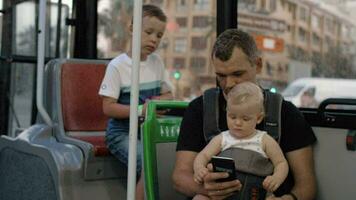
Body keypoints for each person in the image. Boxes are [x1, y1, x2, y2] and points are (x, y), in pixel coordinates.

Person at [173, 29, 317, 200]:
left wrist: (288, 199)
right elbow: (180, 177)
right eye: (221, 76)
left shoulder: (285, 113)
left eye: (237, 74)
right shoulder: (199, 109)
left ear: (258, 65)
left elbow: (307, 185)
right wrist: (208, 189)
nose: (228, 84)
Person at [98, 4, 173, 199]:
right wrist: (142, 109)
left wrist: (159, 101)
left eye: (159, 35)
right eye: (148, 32)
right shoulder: (117, 66)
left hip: (148, 132)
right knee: (151, 161)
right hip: (122, 133)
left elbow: (168, 95)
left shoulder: (157, 63)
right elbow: (108, 108)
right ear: (132, 29)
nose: (153, 39)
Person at [192, 82, 289, 200]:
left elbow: (281, 163)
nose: (237, 123)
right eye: (232, 117)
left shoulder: (264, 140)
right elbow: (204, 155)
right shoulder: (222, 138)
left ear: (258, 118)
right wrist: (199, 168)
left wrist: (276, 178)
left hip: (256, 193)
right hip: (224, 195)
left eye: (245, 118)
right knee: (199, 198)